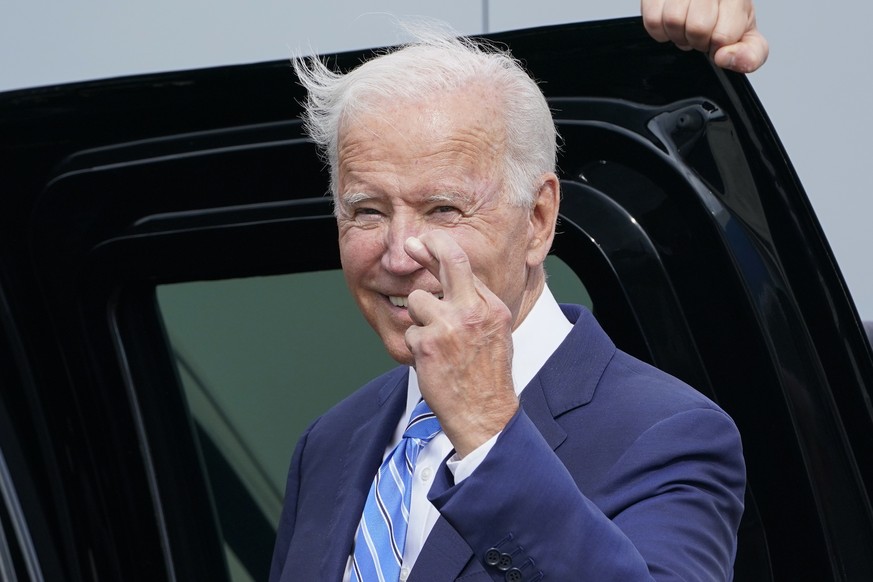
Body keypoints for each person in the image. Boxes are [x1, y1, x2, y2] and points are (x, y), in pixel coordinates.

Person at [270, 3, 766, 581]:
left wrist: (486, 430)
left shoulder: (669, 433)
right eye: (367, 211)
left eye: (443, 209)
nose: (399, 251)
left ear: (537, 219)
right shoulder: (330, 443)